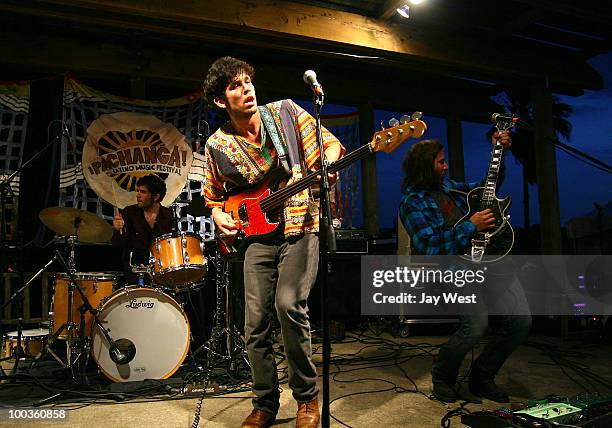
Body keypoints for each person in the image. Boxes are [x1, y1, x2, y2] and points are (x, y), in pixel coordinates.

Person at [202, 56, 345, 428]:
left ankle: (307, 399)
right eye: (235, 85)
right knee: (255, 323)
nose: (246, 88)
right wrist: (218, 215)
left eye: (247, 80)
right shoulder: (216, 145)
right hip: (255, 238)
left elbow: (331, 147)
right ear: (221, 100)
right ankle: (264, 403)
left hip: (301, 223)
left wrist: (323, 169)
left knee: (288, 305)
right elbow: (213, 196)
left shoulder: (285, 113)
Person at [399, 136, 531, 403]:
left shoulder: (450, 188)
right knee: (475, 325)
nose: (446, 166)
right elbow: (429, 247)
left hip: (491, 260)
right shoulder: (411, 203)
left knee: (520, 321)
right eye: (441, 162)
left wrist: (500, 151)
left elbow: (486, 189)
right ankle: (442, 377)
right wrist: (471, 226)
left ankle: (482, 377)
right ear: (426, 167)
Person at [111, 175, 173, 278]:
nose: (138, 195)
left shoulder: (169, 215)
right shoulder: (129, 213)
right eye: (138, 191)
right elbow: (118, 246)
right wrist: (117, 230)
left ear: (156, 197)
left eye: (143, 192)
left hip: (162, 271)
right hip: (135, 271)